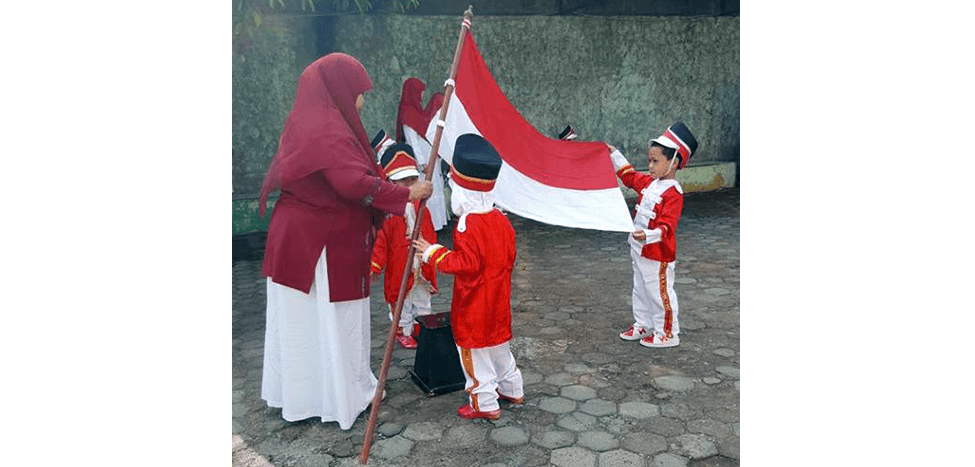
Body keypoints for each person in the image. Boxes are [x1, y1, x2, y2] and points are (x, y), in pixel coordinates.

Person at [257, 53, 433, 430]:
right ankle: (343, 397)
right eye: (358, 92)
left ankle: (303, 397)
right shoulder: (327, 129)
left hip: (301, 239)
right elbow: (351, 184)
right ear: (338, 90)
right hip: (320, 245)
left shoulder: (308, 121)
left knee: (303, 323)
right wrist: (408, 193)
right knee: (331, 321)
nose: (362, 101)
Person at [413, 133, 524, 421]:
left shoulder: (467, 224)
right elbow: (508, 258)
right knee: (500, 348)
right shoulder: (501, 219)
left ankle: (484, 402)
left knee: (474, 355)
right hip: (499, 300)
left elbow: (464, 264)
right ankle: (512, 387)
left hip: (474, 304)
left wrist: (432, 252)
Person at [609, 121, 698, 348]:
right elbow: (629, 176)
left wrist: (648, 236)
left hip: (657, 253)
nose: (650, 166)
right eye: (649, 160)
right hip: (639, 250)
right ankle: (644, 323)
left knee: (660, 293)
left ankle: (667, 332)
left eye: (656, 161)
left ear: (674, 162)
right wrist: (614, 154)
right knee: (640, 289)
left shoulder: (674, 194)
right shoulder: (650, 182)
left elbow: (667, 226)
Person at [370, 142, 439, 350]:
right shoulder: (387, 213)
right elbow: (380, 243)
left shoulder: (422, 208)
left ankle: (423, 327)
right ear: (390, 182)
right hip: (399, 267)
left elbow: (430, 232)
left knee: (422, 299)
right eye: (403, 181)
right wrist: (375, 266)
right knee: (402, 302)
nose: (410, 185)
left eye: (412, 179)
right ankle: (404, 329)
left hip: (421, 265)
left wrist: (433, 254)